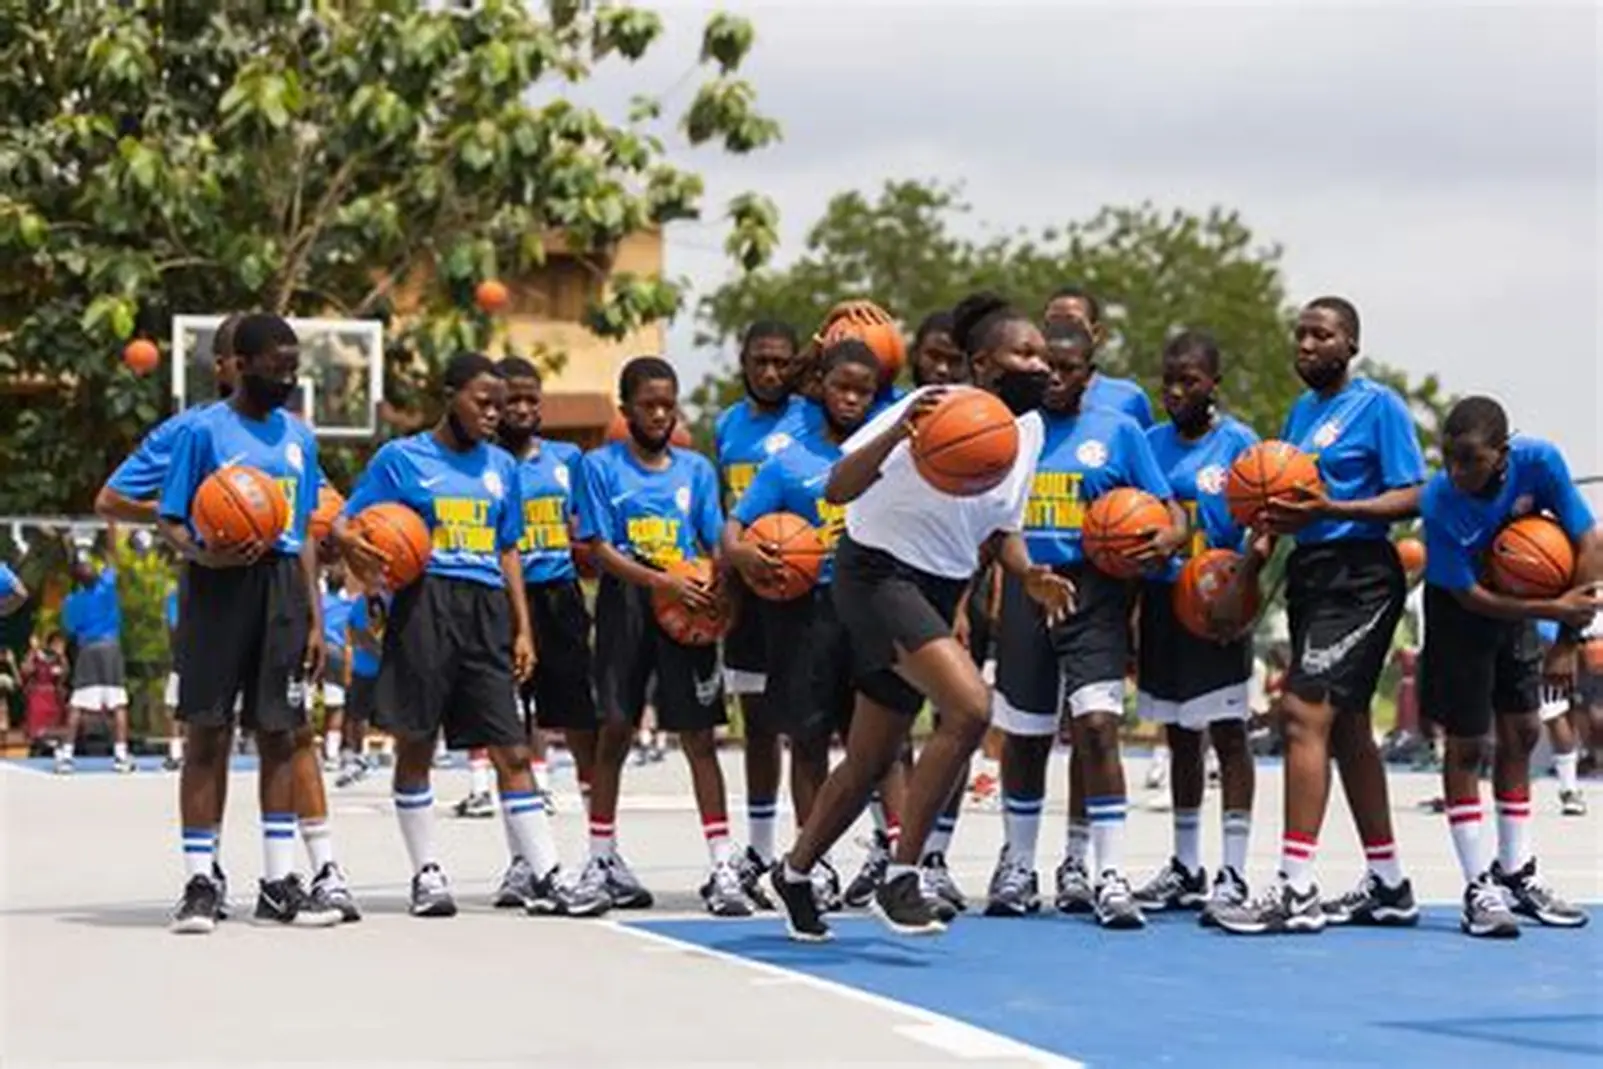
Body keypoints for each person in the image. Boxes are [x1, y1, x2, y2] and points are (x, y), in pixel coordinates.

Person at [767, 293, 1074, 942]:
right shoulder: (930, 406)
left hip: (936, 587)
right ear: (983, 363)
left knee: (869, 758)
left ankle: (793, 872)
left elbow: (1000, 529)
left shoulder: (1028, 433)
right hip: (876, 574)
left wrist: (1028, 575)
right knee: (970, 707)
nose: (1041, 366)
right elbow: (837, 488)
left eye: (1044, 356)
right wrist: (896, 433)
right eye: (1025, 353)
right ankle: (903, 873)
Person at [334, 352, 605, 920]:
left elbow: (508, 549)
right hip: (425, 602)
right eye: (482, 403)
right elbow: (345, 519)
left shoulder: (501, 467)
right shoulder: (401, 459)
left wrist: (523, 629)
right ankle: (427, 873)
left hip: (486, 608)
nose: (493, 414)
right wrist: (352, 545)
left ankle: (547, 875)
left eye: (498, 406)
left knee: (512, 747)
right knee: (416, 743)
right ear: (449, 396)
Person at [1217, 297, 1426, 935]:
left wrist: (1333, 508)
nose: (1306, 345)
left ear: (1350, 344)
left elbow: (1414, 493)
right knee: (1349, 727)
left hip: (1361, 575)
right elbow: (1282, 498)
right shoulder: (1300, 413)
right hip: (1311, 574)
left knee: (1302, 713)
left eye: (1321, 335)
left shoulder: (1379, 405)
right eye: (1300, 334)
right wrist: (1253, 560)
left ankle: (1297, 888)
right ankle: (1389, 884)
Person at [984, 317, 1184, 929]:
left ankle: (1109, 874)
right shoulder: (1012, 432)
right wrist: (1024, 577)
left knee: (1097, 728)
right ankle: (1020, 865)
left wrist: (1169, 537)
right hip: (1029, 587)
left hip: (1095, 591)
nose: (1054, 378)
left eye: (1067, 369)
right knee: (1026, 736)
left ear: (1088, 375)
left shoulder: (1119, 431)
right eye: (1046, 367)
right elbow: (997, 526)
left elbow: (1170, 510)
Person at [156, 313, 342, 934]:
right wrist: (202, 553)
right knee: (207, 734)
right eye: (275, 368)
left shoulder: (300, 439)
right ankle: (200, 882)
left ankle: (278, 882)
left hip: (283, 585)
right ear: (241, 364)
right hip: (217, 585)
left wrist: (314, 618)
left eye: (293, 368)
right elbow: (170, 519)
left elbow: (306, 533)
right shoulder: (201, 431)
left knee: (281, 734)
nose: (286, 378)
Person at [726, 340, 912, 916]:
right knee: (807, 741)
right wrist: (744, 555)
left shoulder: (889, 459)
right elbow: (735, 527)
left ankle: (900, 861)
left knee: (881, 744)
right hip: (804, 613)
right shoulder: (788, 461)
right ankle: (814, 864)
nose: (852, 398)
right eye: (842, 387)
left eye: (863, 391)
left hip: (871, 607)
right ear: (821, 388)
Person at [575, 356, 749, 917]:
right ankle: (601, 860)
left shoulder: (696, 470)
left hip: (686, 605)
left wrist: (719, 587)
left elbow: (713, 539)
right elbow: (599, 550)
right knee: (615, 730)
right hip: (627, 601)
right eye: (648, 405)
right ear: (625, 408)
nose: (658, 414)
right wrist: (659, 581)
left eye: (667, 405)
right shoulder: (598, 466)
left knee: (698, 737)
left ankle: (722, 865)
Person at [1418, 396, 1597, 936]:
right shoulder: (1440, 499)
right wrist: (1550, 609)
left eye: (1471, 459)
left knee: (1522, 733)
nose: (1458, 470)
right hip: (1461, 610)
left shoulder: (1540, 462)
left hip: (1520, 598)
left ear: (1502, 452)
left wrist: (1566, 641)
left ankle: (1515, 870)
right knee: (1467, 745)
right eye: (1450, 457)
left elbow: (1589, 543)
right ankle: (1478, 887)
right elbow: (1470, 596)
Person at [1129, 331, 1263, 924]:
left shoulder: (1240, 444)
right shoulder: (1148, 444)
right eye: (1169, 380)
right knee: (1179, 735)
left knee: (1228, 736)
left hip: (1216, 602)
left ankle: (1233, 871)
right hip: (1162, 600)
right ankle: (1187, 867)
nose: (1176, 390)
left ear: (1214, 384)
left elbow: (1264, 528)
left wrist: (1244, 587)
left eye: (1190, 380)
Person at [488, 355, 603, 903]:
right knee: (508, 734)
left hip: (559, 598)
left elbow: (589, 530)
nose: (522, 408)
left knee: (582, 727)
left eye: (531, 398)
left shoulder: (567, 459)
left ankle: (602, 854)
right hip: (499, 602)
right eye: (512, 398)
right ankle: (522, 860)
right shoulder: (484, 464)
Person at [713, 322, 810, 907]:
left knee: (806, 726)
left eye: (781, 361)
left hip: (801, 587)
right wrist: (727, 574)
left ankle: (810, 853)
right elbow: (725, 508)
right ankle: (759, 847)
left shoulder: (812, 417)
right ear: (743, 363)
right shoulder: (727, 425)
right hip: (748, 590)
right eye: (760, 361)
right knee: (757, 725)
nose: (770, 372)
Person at [59, 543, 134, 774]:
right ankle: (121, 757)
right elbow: (112, 555)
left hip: (88, 649)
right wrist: (106, 536)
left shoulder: (71, 601)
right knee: (118, 704)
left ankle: (67, 757)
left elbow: (70, 630)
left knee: (77, 705)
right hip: (110, 648)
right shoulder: (107, 586)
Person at [1042, 286, 1154, 428]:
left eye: (1073, 322)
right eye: (1052, 322)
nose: (1061, 330)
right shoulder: (1030, 395)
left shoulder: (1128, 397)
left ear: (1095, 333)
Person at [1535, 620, 1589, 816]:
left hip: (1545, 639)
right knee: (1553, 712)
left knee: (1553, 712)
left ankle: (1569, 788)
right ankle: (1569, 790)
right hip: (1535, 636)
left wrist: (1565, 648)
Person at [334, 587, 385, 787]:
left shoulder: (390, 601)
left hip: (380, 670)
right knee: (357, 715)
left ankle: (373, 754)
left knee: (379, 716)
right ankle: (359, 755)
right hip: (364, 669)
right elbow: (356, 633)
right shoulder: (360, 605)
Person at [318, 559, 359, 773]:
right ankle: (332, 753)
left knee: (310, 703)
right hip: (338, 652)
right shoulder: (349, 606)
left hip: (317, 649)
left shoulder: (320, 602)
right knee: (336, 705)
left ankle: (312, 748)